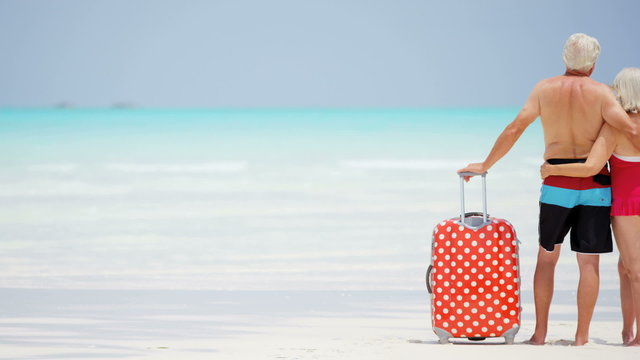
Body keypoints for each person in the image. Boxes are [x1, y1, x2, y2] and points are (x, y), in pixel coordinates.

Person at [457, 33, 638, 346]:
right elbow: (631, 130)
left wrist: (485, 164)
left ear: (565, 59)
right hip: (595, 186)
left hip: (556, 185)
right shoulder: (602, 93)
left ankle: (539, 335)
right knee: (589, 263)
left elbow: (515, 128)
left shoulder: (544, 89)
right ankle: (581, 338)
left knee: (546, 258)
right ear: (593, 64)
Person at [540, 67, 640, 346]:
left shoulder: (616, 126)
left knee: (635, 269)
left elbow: (591, 167)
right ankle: (627, 331)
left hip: (627, 204)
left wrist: (551, 169)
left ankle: (639, 336)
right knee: (625, 268)